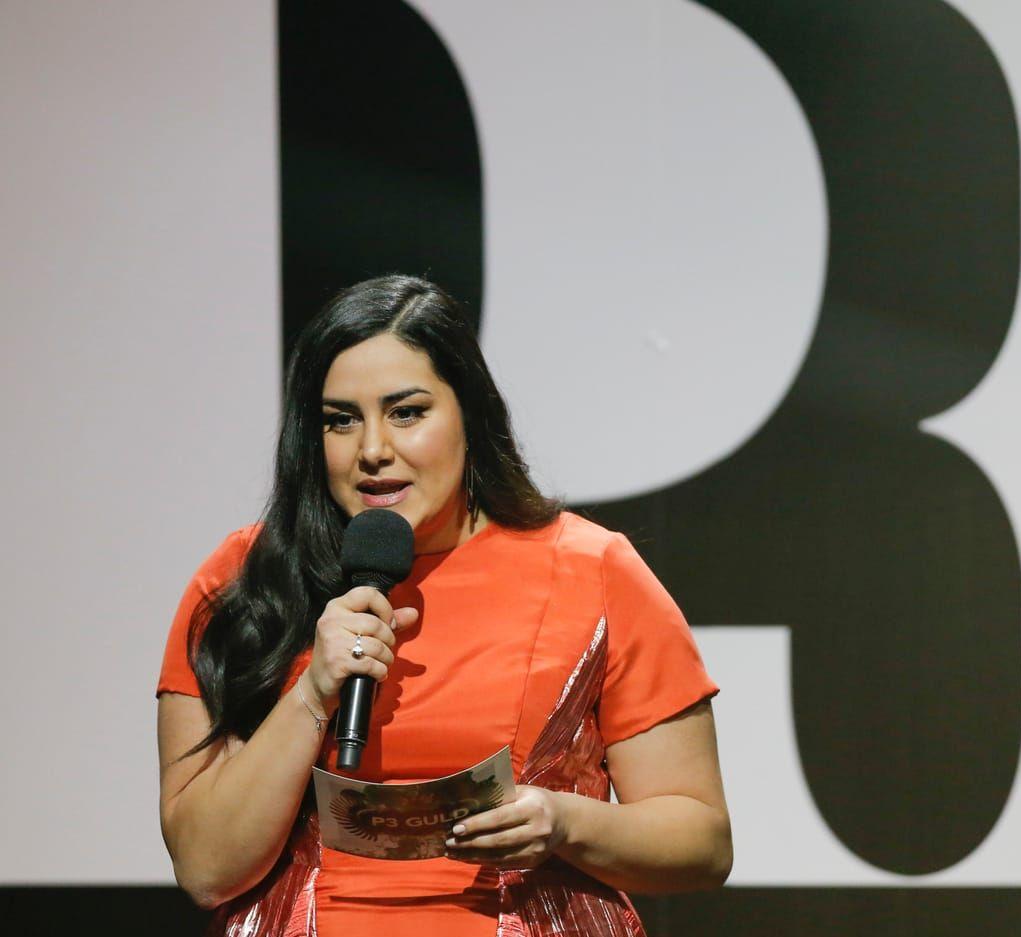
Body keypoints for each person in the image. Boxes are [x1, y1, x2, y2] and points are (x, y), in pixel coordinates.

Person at [156, 275, 732, 936]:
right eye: (341, 420)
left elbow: (702, 841)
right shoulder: (244, 580)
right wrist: (311, 693)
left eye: (406, 412)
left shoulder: (591, 568)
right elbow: (205, 866)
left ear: (470, 414)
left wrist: (566, 822)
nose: (373, 450)